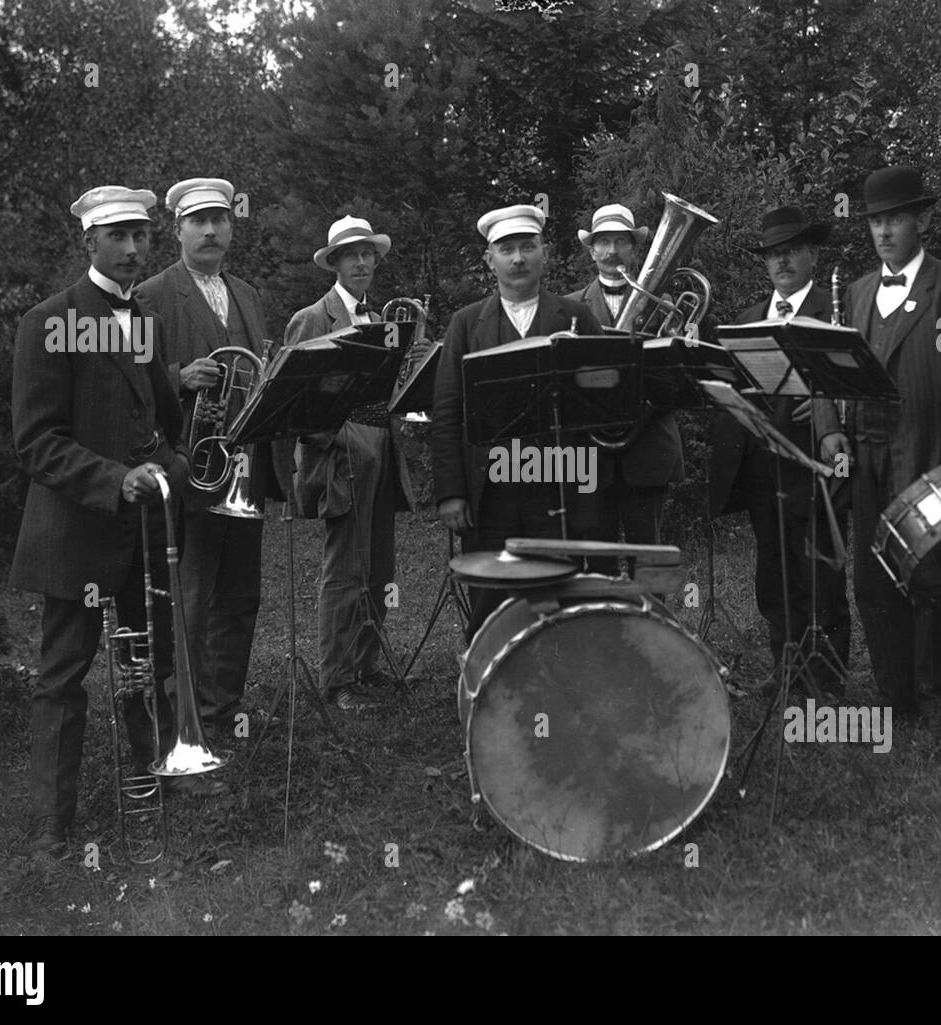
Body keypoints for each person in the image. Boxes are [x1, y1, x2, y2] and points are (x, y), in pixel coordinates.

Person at [11, 186, 189, 857]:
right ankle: (50, 829)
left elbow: (161, 423)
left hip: (143, 528)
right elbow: (36, 442)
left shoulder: (144, 318)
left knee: (150, 657)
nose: (133, 248)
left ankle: (157, 768)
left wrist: (181, 469)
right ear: (87, 241)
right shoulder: (46, 320)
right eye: (117, 235)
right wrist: (118, 479)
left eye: (142, 235)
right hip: (75, 532)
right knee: (61, 677)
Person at [813, 166, 941, 719]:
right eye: (875, 222)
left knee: (925, 572)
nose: (884, 231)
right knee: (871, 578)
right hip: (865, 456)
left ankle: (935, 691)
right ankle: (896, 695)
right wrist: (830, 429)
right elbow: (828, 374)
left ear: (923, 220)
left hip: (928, 452)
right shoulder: (858, 292)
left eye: (895, 219)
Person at [136, 178, 274, 765]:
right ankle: (180, 716)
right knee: (190, 596)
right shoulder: (149, 294)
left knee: (240, 595)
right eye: (199, 221)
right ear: (179, 230)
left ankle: (224, 703)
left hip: (243, 470)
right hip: (189, 470)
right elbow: (127, 384)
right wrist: (176, 376)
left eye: (220, 219)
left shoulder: (246, 293)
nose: (212, 230)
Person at [431, 204, 602, 635]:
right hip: (491, 493)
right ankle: (492, 689)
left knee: (561, 595)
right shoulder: (466, 324)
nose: (519, 258)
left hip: (560, 484)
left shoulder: (578, 317)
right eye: (507, 249)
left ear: (544, 253)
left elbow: (606, 405)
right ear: (490, 260)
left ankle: (560, 688)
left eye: (528, 246)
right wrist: (452, 494)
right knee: (491, 600)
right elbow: (447, 412)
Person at [710, 205, 851, 696]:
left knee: (821, 577)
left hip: (815, 464)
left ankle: (827, 683)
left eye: (792, 251)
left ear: (812, 254)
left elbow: (860, 378)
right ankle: (787, 671)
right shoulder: (748, 319)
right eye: (773, 254)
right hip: (761, 469)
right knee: (773, 577)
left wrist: (837, 410)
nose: (782, 261)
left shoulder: (838, 309)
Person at [284, 216, 416, 710]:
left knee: (380, 565)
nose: (362, 262)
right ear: (334, 263)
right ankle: (336, 680)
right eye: (351, 255)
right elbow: (296, 399)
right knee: (345, 567)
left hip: (382, 445)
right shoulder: (313, 318)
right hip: (340, 455)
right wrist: (342, 439)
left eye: (368, 255)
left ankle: (367, 665)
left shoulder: (381, 317)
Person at [565, 203, 683, 557]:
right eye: (603, 242)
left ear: (635, 250)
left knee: (647, 558)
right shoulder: (568, 307)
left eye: (621, 241)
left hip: (648, 446)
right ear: (591, 250)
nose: (612, 250)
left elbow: (677, 380)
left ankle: (647, 615)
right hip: (590, 451)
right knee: (593, 557)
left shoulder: (665, 305)